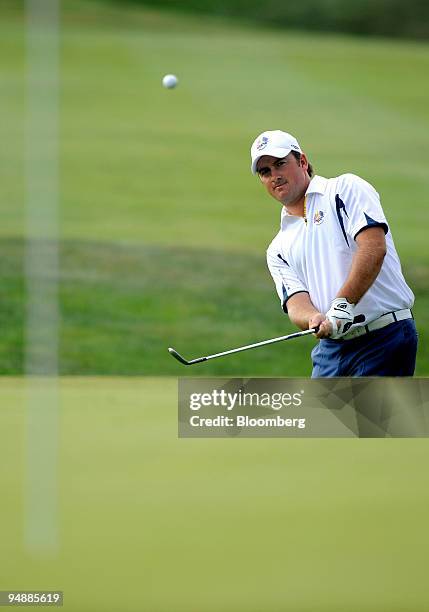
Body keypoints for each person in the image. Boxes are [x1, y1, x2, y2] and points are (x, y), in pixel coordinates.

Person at [250, 129, 418, 377]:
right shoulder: (277, 248)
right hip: (331, 350)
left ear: (303, 162)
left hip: (383, 336)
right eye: (265, 172)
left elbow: (373, 247)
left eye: (280, 164)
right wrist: (312, 319)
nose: (274, 175)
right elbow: (296, 302)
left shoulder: (344, 189)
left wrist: (343, 305)